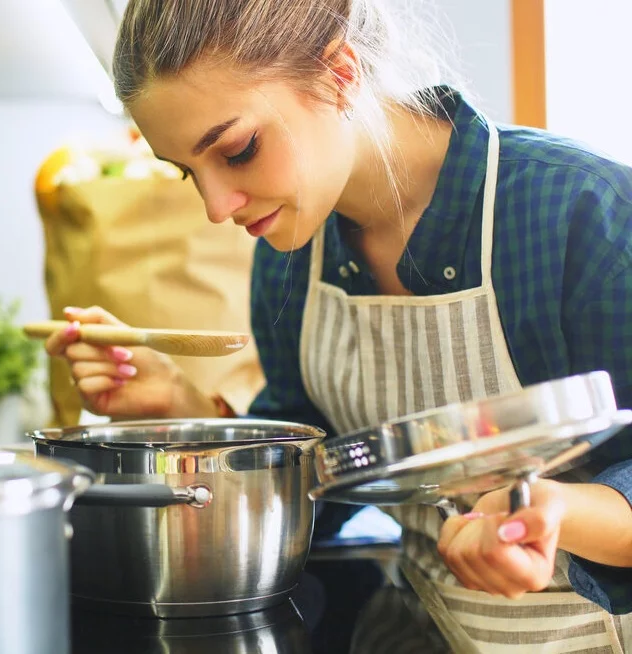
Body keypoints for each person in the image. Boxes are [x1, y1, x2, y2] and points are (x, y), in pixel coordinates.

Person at [45, 0, 632, 650]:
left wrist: (550, 511)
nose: (215, 207)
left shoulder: (579, 210)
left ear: (338, 74)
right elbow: (319, 486)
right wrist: (188, 410)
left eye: (238, 150)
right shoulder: (291, 260)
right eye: (189, 172)